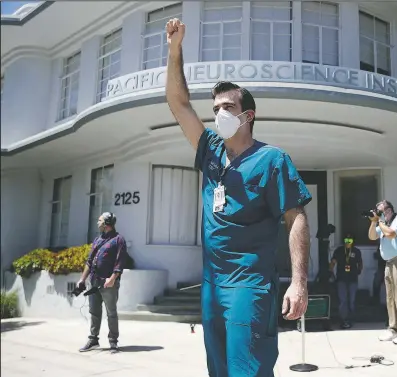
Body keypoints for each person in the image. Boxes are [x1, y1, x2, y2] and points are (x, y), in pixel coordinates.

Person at [165, 19, 312, 377]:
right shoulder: (210, 151)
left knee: (247, 369)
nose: (219, 113)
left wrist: (298, 281)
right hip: (212, 285)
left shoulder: (272, 160)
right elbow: (177, 102)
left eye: (228, 107)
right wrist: (175, 49)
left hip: (250, 284)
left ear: (248, 115)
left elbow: (296, 219)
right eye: (215, 107)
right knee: (219, 370)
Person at [77, 212, 129, 353]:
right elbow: (89, 261)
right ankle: (93, 340)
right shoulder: (98, 240)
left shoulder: (119, 240)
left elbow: (120, 262)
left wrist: (112, 279)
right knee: (94, 312)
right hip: (94, 282)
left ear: (106, 223)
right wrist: (82, 279)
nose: (97, 222)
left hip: (108, 284)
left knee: (111, 312)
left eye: (99, 220)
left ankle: (113, 342)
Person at [368, 200, 397, 345]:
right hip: (388, 262)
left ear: (388, 210)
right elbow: (372, 236)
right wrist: (373, 222)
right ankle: (393, 328)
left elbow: (392, 234)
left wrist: (380, 222)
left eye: (380, 211)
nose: (378, 214)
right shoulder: (382, 223)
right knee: (390, 297)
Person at [329, 233, 363, 329]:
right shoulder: (339, 250)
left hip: (353, 279)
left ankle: (351, 318)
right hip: (341, 279)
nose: (348, 243)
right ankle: (343, 320)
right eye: (346, 241)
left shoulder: (356, 251)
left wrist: (359, 271)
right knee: (343, 300)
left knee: (352, 300)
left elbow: (360, 262)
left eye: (350, 241)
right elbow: (333, 262)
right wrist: (331, 272)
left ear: (353, 242)